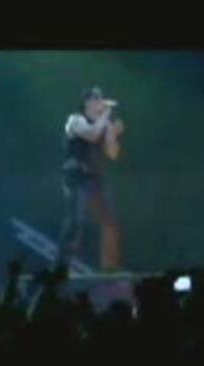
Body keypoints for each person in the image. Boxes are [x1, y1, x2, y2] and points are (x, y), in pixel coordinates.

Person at [56, 86, 125, 274]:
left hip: (95, 178)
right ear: (88, 103)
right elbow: (92, 135)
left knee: (109, 222)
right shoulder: (75, 119)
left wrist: (113, 133)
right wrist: (106, 115)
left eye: (101, 101)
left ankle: (109, 268)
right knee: (75, 222)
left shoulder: (103, 124)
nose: (101, 105)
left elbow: (113, 154)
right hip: (76, 176)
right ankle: (60, 265)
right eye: (98, 101)